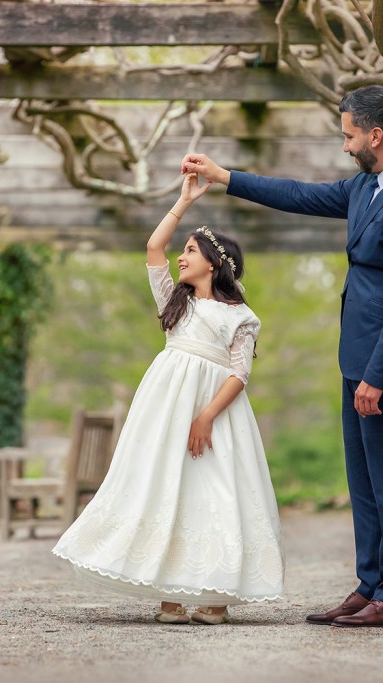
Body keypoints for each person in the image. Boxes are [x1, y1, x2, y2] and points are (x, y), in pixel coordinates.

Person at [182, 85, 383, 628]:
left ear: (376, 135)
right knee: (363, 481)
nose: (345, 145)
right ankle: (370, 583)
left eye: (350, 135)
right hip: (358, 361)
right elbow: (299, 195)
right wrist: (225, 177)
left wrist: (377, 376)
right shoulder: (367, 186)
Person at [52, 172, 285, 626]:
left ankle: (216, 593)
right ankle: (169, 592)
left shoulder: (240, 315)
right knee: (165, 486)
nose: (181, 257)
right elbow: (153, 249)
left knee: (216, 492)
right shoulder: (175, 301)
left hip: (216, 411)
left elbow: (239, 373)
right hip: (164, 410)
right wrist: (181, 202)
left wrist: (207, 417)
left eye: (192, 251)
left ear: (215, 264)